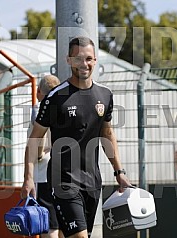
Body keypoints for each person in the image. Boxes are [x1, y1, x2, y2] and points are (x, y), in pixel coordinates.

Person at [21, 36, 131, 238]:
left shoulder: (105, 95)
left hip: (92, 181)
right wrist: (28, 178)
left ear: (95, 60)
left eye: (89, 58)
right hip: (63, 181)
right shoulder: (55, 98)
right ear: (68, 60)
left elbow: (107, 134)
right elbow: (34, 139)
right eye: (78, 58)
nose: (84, 64)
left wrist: (119, 171)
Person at [29, 74, 63, 238]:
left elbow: (38, 150)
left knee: (49, 226)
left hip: (43, 175)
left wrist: (38, 153)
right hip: (64, 173)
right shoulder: (63, 108)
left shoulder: (39, 110)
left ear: (39, 91)